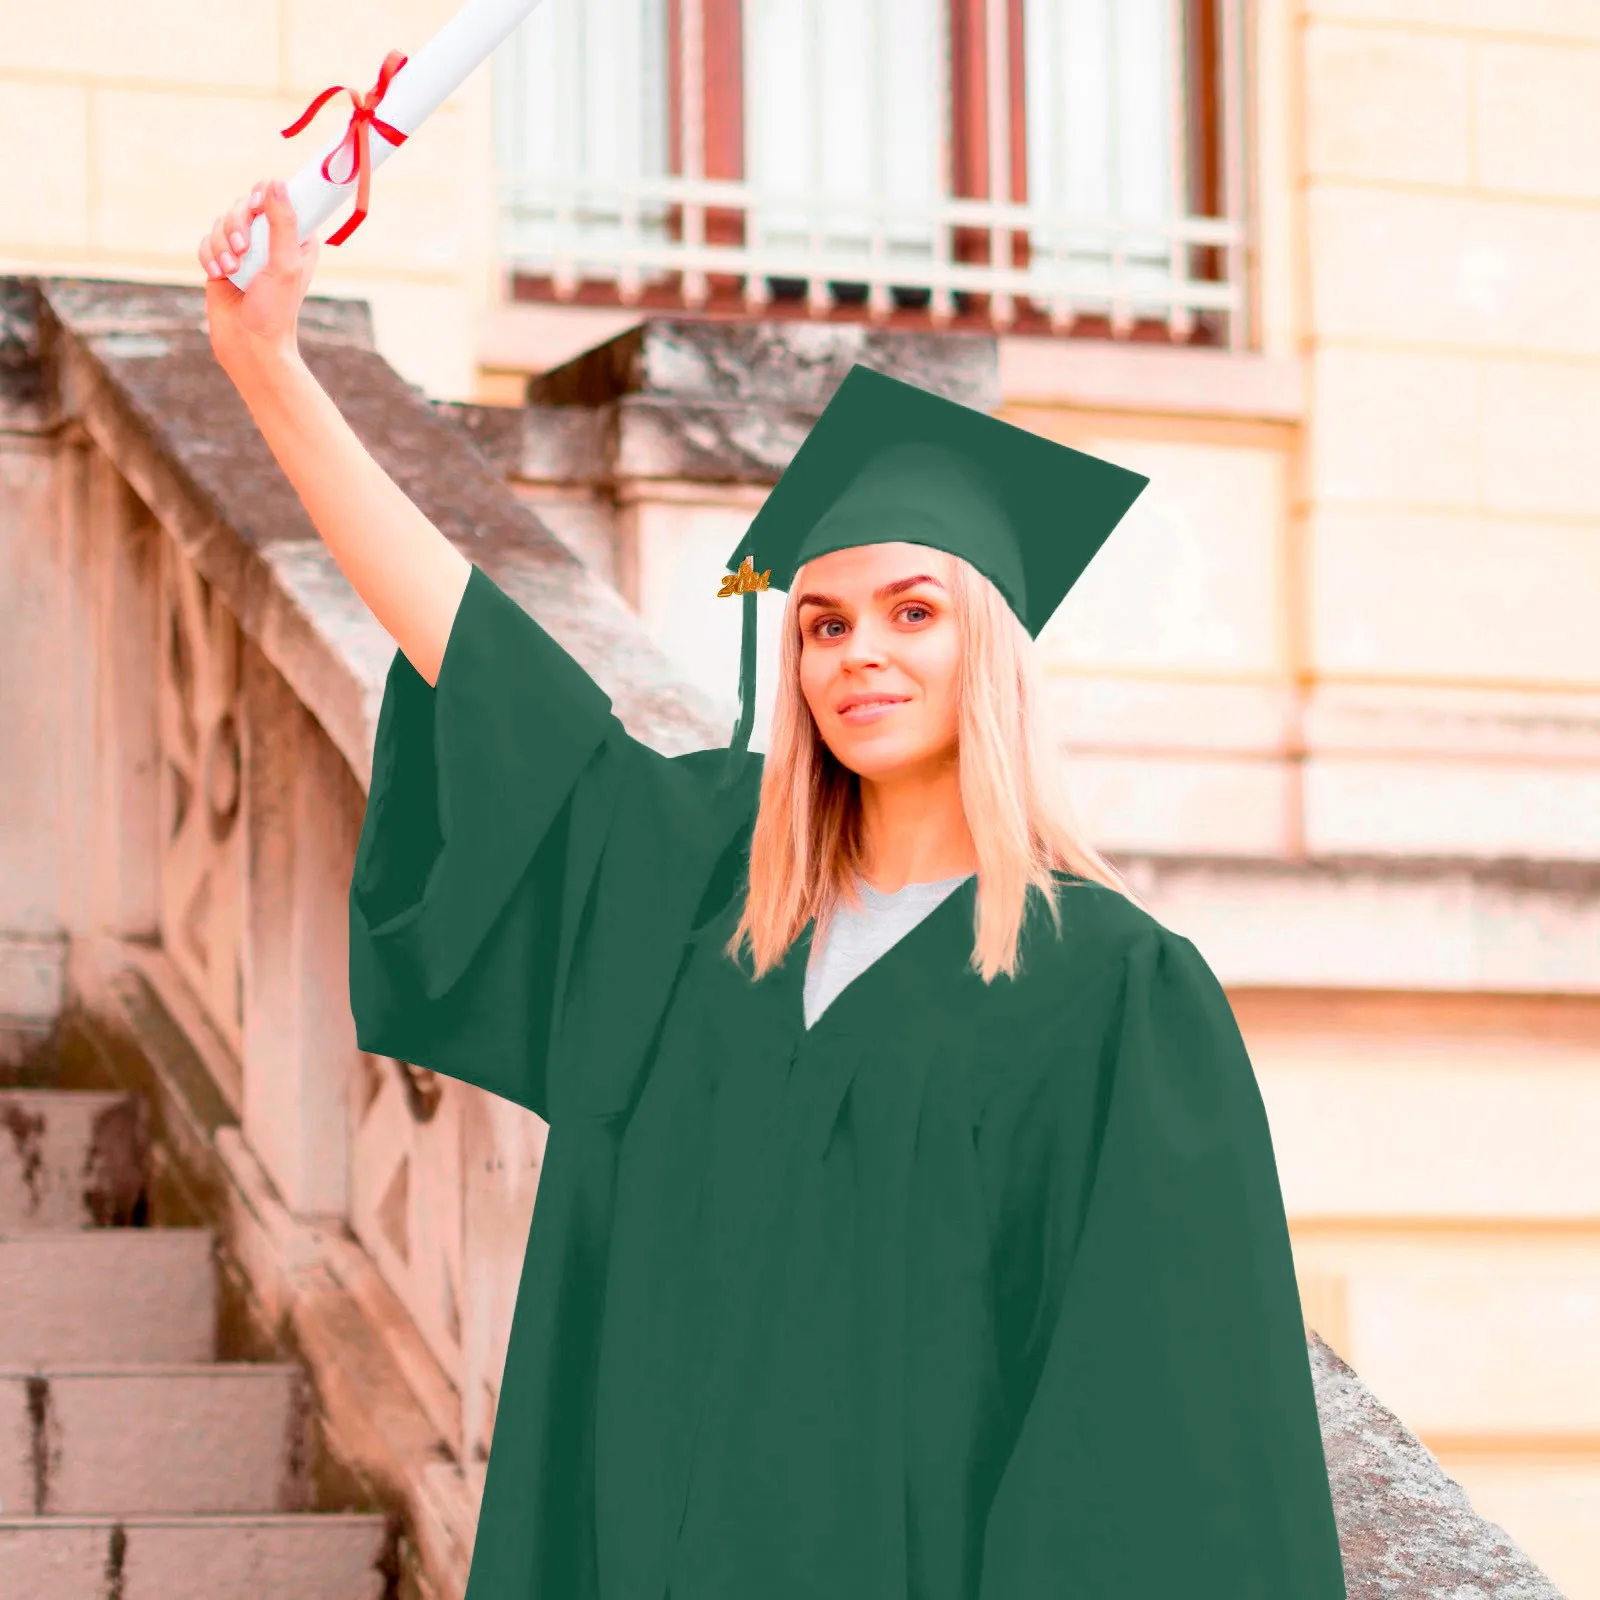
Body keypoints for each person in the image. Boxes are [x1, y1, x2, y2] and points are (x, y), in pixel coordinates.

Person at [201, 182, 1348, 1599]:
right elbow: (482, 662)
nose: (857, 653)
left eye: (912, 613)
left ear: (988, 647)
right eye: (822, 622)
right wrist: (268, 363)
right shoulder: (701, 884)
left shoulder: (1113, 994)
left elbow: (1152, 1436)